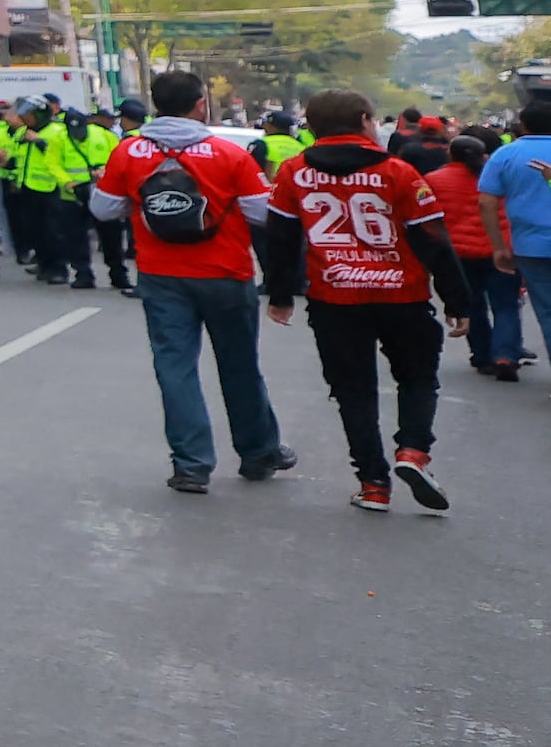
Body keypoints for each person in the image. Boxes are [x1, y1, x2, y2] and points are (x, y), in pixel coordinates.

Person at [257, 91, 475, 516]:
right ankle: (412, 452)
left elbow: (280, 239)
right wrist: (457, 300)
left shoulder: (293, 172)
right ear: (362, 120)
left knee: (352, 391)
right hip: (404, 297)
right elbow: (433, 241)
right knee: (417, 379)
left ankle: (373, 484)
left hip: (334, 300)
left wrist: (280, 295)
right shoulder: (400, 172)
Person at [92, 66, 289, 494]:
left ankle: (192, 465)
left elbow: (104, 209)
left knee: (174, 368)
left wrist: (140, 205)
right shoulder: (229, 154)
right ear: (200, 104)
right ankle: (258, 453)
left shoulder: (128, 153)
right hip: (225, 272)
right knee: (239, 366)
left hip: (161, 274)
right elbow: (262, 214)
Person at [469, 101, 551, 383]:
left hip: (531, 247)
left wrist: (499, 246)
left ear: (523, 126)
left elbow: (486, 203)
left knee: (548, 312)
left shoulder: (506, 154)